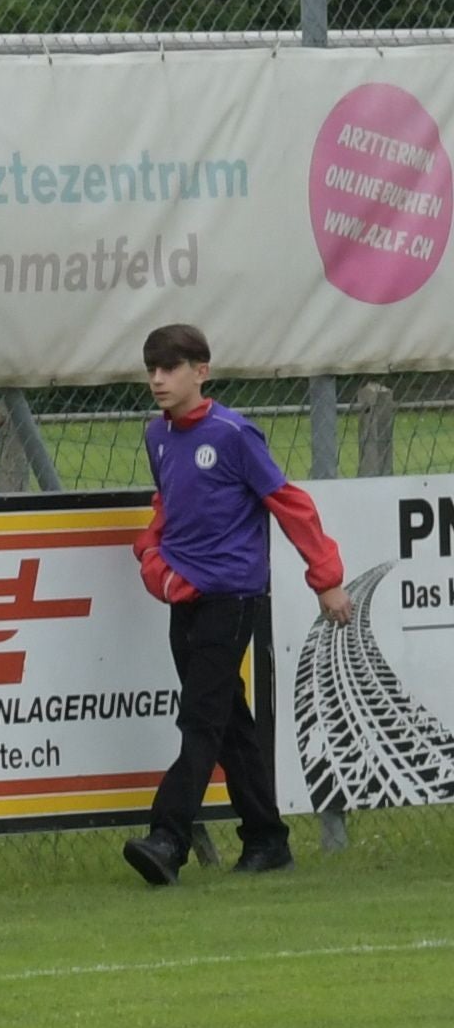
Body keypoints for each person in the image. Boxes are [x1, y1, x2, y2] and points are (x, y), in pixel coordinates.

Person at [123, 323, 353, 887]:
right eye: (151, 369)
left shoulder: (233, 435)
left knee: (200, 719)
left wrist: (326, 577)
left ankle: (167, 839)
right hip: (186, 598)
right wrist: (153, 556)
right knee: (229, 722)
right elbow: (166, 508)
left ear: (201, 372)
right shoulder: (156, 436)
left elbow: (289, 503)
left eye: (170, 368)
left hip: (233, 596)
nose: (158, 379)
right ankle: (267, 840)